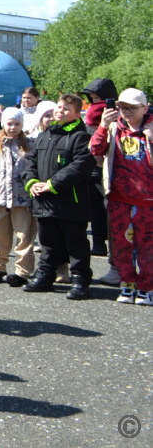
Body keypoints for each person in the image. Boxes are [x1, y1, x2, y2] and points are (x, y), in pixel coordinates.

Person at [21, 94, 96, 299]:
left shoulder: (81, 136)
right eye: (59, 107)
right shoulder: (45, 134)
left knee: (76, 244)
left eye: (66, 109)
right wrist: (32, 181)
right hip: (44, 202)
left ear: (76, 114)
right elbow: (30, 160)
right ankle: (45, 277)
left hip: (70, 202)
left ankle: (80, 280)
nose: (60, 111)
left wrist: (53, 184)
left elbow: (81, 166)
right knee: (48, 243)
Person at [90, 88, 153, 304]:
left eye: (132, 108)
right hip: (119, 199)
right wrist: (103, 125)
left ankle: (147, 287)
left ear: (145, 108)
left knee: (148, 247)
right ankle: (127, 284)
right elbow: (95, 150)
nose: (126, 112)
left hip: (148, 202)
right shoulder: (115, 127)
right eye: (122, 107)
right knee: (121, 245)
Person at [0, 107, 34, 287]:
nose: (13, 127)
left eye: (17, 124)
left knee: (24, 235)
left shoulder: (30, 145)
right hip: (0, 198)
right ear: (3, 124)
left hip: (22, 198)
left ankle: (22, 271)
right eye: (9, 124)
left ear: (22, 125)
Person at [81, 78, 117, 258]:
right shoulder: (89, 117)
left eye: (98, 98)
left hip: (114, 169)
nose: (96, 103)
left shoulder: (120, 116)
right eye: (92, 99)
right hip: (93, 167)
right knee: (95, 209)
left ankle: (113, 248)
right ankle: (98, 243)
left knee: (110, 210)